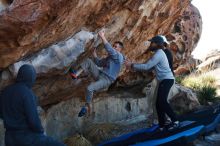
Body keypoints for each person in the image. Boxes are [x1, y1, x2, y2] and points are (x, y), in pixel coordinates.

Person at [0, 64, 65, 146]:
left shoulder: (5, 92)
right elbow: (33, 120)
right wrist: (41, 132)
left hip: (9, 138)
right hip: (26, 138)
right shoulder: (27, 93)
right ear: (31, 78)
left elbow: (1, 114)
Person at [125, 35, 179, 130]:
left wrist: (132, 65)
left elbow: (146, 66)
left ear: (157, 44)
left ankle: (175, 121)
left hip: (167, 80)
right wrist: (133, 66)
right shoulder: (158, 53)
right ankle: (162, 125)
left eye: (152, 42)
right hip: (164, 80)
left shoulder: (159, 54)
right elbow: (148, 68)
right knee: (158, 104)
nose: (151, 44)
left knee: (162, 102)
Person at [69, 30, 124, 117]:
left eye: (115, 46)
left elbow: (109, 49)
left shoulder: (119, 57)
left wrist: (102, 36)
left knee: (89, 88)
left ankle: (86, 107)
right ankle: (75, 74)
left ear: (120, 49)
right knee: (88, 61)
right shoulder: (110, 57)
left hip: (107, 80)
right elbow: (99, 63)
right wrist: (94, 54)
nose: (114, 47)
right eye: (113, 45)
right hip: (100, 74)